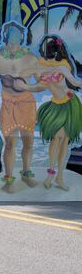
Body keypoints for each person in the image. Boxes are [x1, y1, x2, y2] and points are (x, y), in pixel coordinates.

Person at [19, 36, 82, 191]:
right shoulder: (40, 67)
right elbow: (39, 86)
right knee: (56, 139)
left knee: (63, 139)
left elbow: (75, 83)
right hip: (55, 105)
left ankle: (59, 176)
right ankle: (51, 174)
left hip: (69, 104)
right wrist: (25, 86)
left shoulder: (62, 67)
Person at [0, 23, 39, 192]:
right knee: (10, 143)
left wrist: (26, 87)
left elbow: (42, 83)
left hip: (27, 103)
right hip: (7, 103)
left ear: (23, 36)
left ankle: (26, 173)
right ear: (5, 35)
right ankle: (9, 181)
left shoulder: (31, 58)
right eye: (11, 32)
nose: (15, 35)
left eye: (18, 32)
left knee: (28, 142)